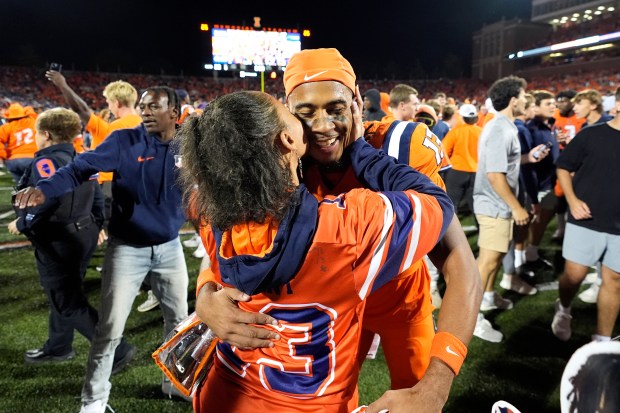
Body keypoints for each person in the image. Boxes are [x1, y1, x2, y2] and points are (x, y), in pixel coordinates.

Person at [196, 48, 481, 406]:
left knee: (419, 394)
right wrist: (206, 296)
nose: (323, 126)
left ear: (357, 101)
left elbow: (460, 262)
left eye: (335, 109)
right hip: (331, 315)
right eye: (306, 112)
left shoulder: (401, 147)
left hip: (399, 299)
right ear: (287, 115)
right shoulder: (279, 155)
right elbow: (231, 236)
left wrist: (439, 382)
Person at [14, 86, 190, 412]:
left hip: (170, 247)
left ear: (175, 114)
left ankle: (174, 383)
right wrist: (45, 189)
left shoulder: (190, 143)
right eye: (143, 106)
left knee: (178, 323)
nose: (146, 112)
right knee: (109, 329)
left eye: (154, 107)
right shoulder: (125, 140)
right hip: (127, 249)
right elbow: (80, 167)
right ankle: (93, 401)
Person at [7, 107, 136, 371]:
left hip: (59, 238)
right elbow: (99, 199)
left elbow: (48, 197)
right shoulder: (82, 156)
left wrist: (23, 222)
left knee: (67, 299)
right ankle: (59, 346)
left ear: (46, 134)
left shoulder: (45, 162)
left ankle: (117, 349)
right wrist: (96, 225)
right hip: (83, 233)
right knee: (67, 290)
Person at [473, 76, 550, 342]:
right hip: (494, 204)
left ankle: (489, 296)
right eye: (525, 96)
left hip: (497, 203)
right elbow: (495, 174)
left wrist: (528, 157)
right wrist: (517, 207)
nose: (528, 100)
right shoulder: (500, 128)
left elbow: (506, 164)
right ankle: (471, 318)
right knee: (487, 261)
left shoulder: (505, 126)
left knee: (494, 259)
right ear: (514, 100)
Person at [551, 88, 620, 343]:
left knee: (614, 280)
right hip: (586, 219)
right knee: (574, 275)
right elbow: (563, 167)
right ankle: (564, 308)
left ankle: (601, 340)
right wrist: (572, 200)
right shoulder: (591, 135)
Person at [442, 103, 481, 217]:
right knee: (477, 207)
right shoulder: (481, 131)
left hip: (456, 171)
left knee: (451, 205)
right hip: (476, 172)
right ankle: (483, 232)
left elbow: (444, 151)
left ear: (462, 117)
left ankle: (450, 234)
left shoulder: (455, 131)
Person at [0, 102, 38, 183]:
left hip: (13, 160)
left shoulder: (7, 127)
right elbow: (32, 112)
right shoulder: (32, 121)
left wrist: (4, 156)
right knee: (37, 186)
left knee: (21, 188)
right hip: (32, 158)